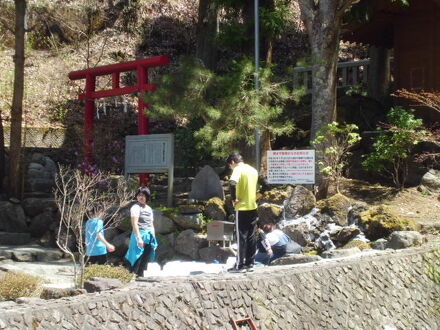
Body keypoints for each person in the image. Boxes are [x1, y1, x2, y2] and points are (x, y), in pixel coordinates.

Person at [226, 152, 259, 273]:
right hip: (253, 206)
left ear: (233, 162)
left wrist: (234, 199)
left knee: (241, 237)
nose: (231, 168)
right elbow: (264, 184)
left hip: (242, 208)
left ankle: (240, 265)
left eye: (230, 166)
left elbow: (232, 183)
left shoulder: (238, 169)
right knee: (251, 236)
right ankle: (250, 263)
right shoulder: (253, 170)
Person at [125, 187, 158, 278]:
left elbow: (151, 224)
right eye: (139, 195)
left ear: (147, 197)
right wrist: (139, 238)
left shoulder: (149, 209)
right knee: (136, 258)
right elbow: (134, 224)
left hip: (149, 236)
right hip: (139, 235)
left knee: (145, 259)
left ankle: (140, 278)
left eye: (143, 195)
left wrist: (153, 238)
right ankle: (132, 279)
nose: (141, 197)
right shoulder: (135, 207)